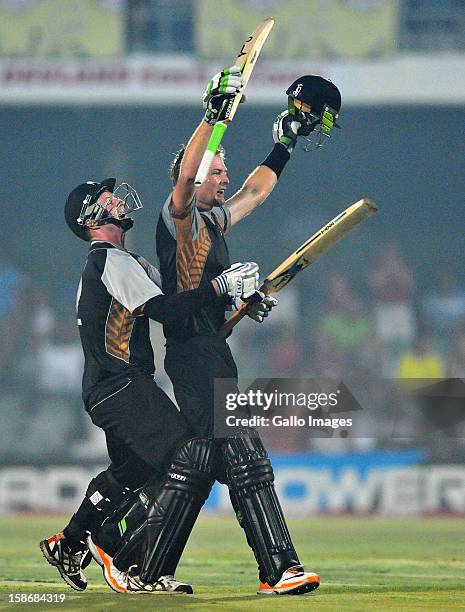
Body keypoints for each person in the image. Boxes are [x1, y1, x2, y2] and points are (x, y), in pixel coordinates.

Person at [153, 68, 341, 595]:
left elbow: (258, 191)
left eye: (224, 169)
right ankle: (278, 569)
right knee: (246, 455)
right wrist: (212, 121)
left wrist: (283, 144)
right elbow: (189, 172)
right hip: (192, 354)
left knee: (194, 464)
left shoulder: (214, 222)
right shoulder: (181, 217)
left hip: (209, 348)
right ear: (192, 180)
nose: (225, 177)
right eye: (217, 171)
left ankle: (145, 566)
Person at [40, 178, 260, 594]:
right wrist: (220, 288)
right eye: (108, 199)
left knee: (130, 472)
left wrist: (236, 300)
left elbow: (183, 298)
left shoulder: (125, 262)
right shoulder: (110, 260)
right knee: (190, 455)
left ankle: (69, 542)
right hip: (119, 385)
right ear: (90, 219)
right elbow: (166, 309)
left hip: (112, 387)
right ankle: (120, 551)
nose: (119, 199)